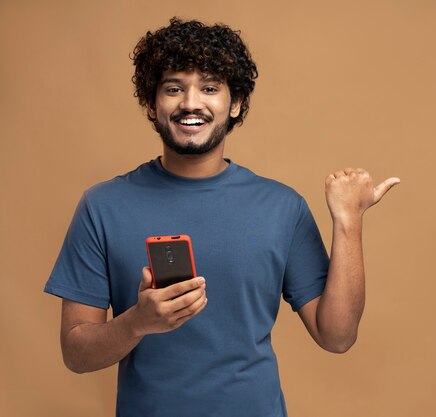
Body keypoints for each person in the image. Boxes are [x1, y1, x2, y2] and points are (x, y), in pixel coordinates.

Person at [44, 17, 400, 417]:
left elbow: (337, 336)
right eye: (173, 88)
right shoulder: (102, 206)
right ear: (151, 103)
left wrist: (348, 221)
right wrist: (137, 322)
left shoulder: (282, 206)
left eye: (210, 88)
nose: (191, 103)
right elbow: (76, 353)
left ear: (236, 103)